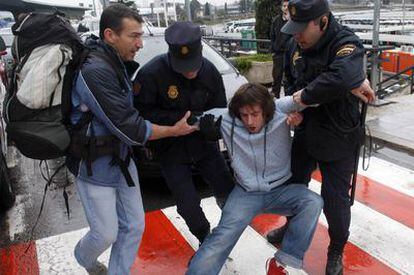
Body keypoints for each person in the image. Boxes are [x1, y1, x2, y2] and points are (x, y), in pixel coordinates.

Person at [67, 5, 197, 275]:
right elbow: (130, 128)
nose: (140, 43)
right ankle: (83, 258)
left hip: (122, 162)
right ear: (110, 35)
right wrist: (174, 129)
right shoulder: (94, 71)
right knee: (105, 233)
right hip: (94, 166)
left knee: (134, 226)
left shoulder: (115, 64)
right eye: (134, 36)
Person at [265, 0, 376, 274]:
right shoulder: (295, 45)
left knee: (335, 200)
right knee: (293, 187)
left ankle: (336, 248)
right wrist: (297, 109)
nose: (297, 35)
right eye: (294, 28)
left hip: (338, 135)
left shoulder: (345, 42)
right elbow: (291, 79)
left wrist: (302, 98)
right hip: (306, 131)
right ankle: (291, 227)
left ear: (323, 22)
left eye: (303, 28)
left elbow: (343, 76)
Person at [186, 83, 323, 274]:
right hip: (246, 194)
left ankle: (282, 264)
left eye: (255, 114)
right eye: (244, 115)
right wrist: (200, 124)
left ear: (266, 111)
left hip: (281, 190)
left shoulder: (281, 108)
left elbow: (316, 96)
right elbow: (186, 120)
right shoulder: (227, 117)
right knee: (220, 239)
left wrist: (356, 83)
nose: (249, 121)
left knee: (313, 202)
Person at [134, 22, 234, 245]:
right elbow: (142, 114)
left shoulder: (210, 72)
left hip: (203, 145)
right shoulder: (151, 74)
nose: (190, 71)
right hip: (171, 149)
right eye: (184, 66)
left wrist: (213, 129)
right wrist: (178, 122)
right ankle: (204, 237)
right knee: (187, 204)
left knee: (229, 191)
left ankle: (228, 230)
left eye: (193, 65)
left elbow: (219, 111)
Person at [269, 0, 291, 98]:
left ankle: (287, 99)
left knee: (288, 78)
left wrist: (290, 19)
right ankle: (274, 100)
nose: (286, 8)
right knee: (276, 77)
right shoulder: (276, 20)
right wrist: (273, 49)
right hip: (278, 53)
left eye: (288, 6)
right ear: (281, 7)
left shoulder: (293, 21)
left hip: (289, 54)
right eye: (284, 6)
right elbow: (272, 36)